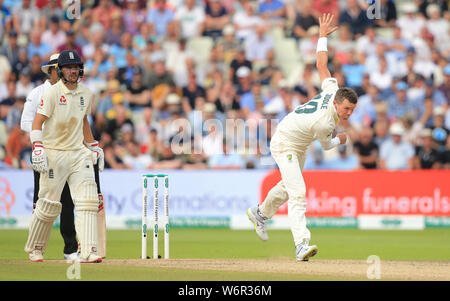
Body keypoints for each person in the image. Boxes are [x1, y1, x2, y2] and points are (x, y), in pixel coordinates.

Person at [247, 14, 357, 261]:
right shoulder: (325, 121)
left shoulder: (332, 89)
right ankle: (301, 245)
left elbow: (321, 65)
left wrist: (321, 37)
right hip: (285, 142)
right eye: (346, 109)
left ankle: (260, 214)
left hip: (299, 145)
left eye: (352, 110)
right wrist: (342, 139)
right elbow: (328, 144)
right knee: (298, 193)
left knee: (288, 187)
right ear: (337, 104)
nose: (348, 113)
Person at [20, 53, 105, 260]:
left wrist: (93, 145)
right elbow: (37, 121)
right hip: (54, 154)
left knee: (87, 201)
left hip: (78, 154)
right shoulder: (50, 94)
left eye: (76, 67)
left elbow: (84, 122)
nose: (73, 71)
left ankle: (89, 250)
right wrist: (38, 146)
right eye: (68, 68)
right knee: (48, 204)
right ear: (60, 71)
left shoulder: (87, 93)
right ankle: (36, 248)